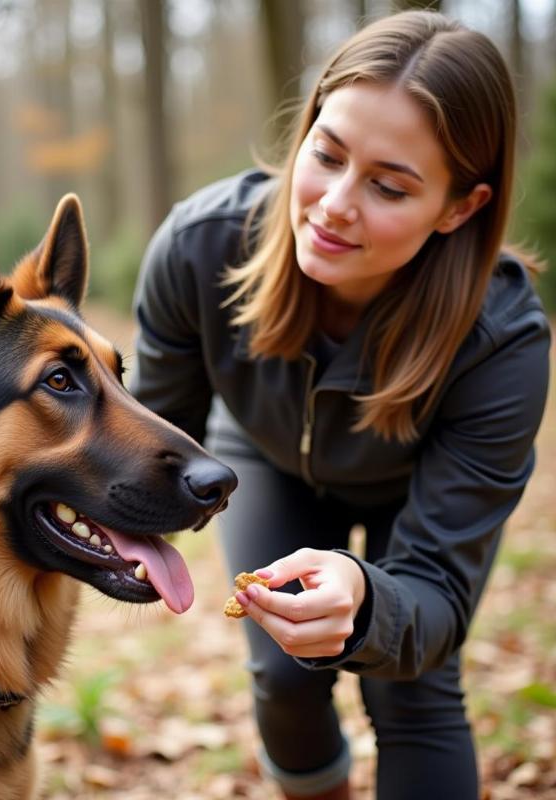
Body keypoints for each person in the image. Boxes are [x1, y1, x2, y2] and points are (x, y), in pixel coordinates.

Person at [129, 10, 551, 800]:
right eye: (326, 155)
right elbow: (150, 447)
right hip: (267, 458)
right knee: (284, 670)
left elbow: (433, 597)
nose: (333, 205)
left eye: (389, 186)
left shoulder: (503, 341)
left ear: (460, 207)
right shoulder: (198, 247)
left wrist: (365, 602)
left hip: (416, 491)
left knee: (412, 688)